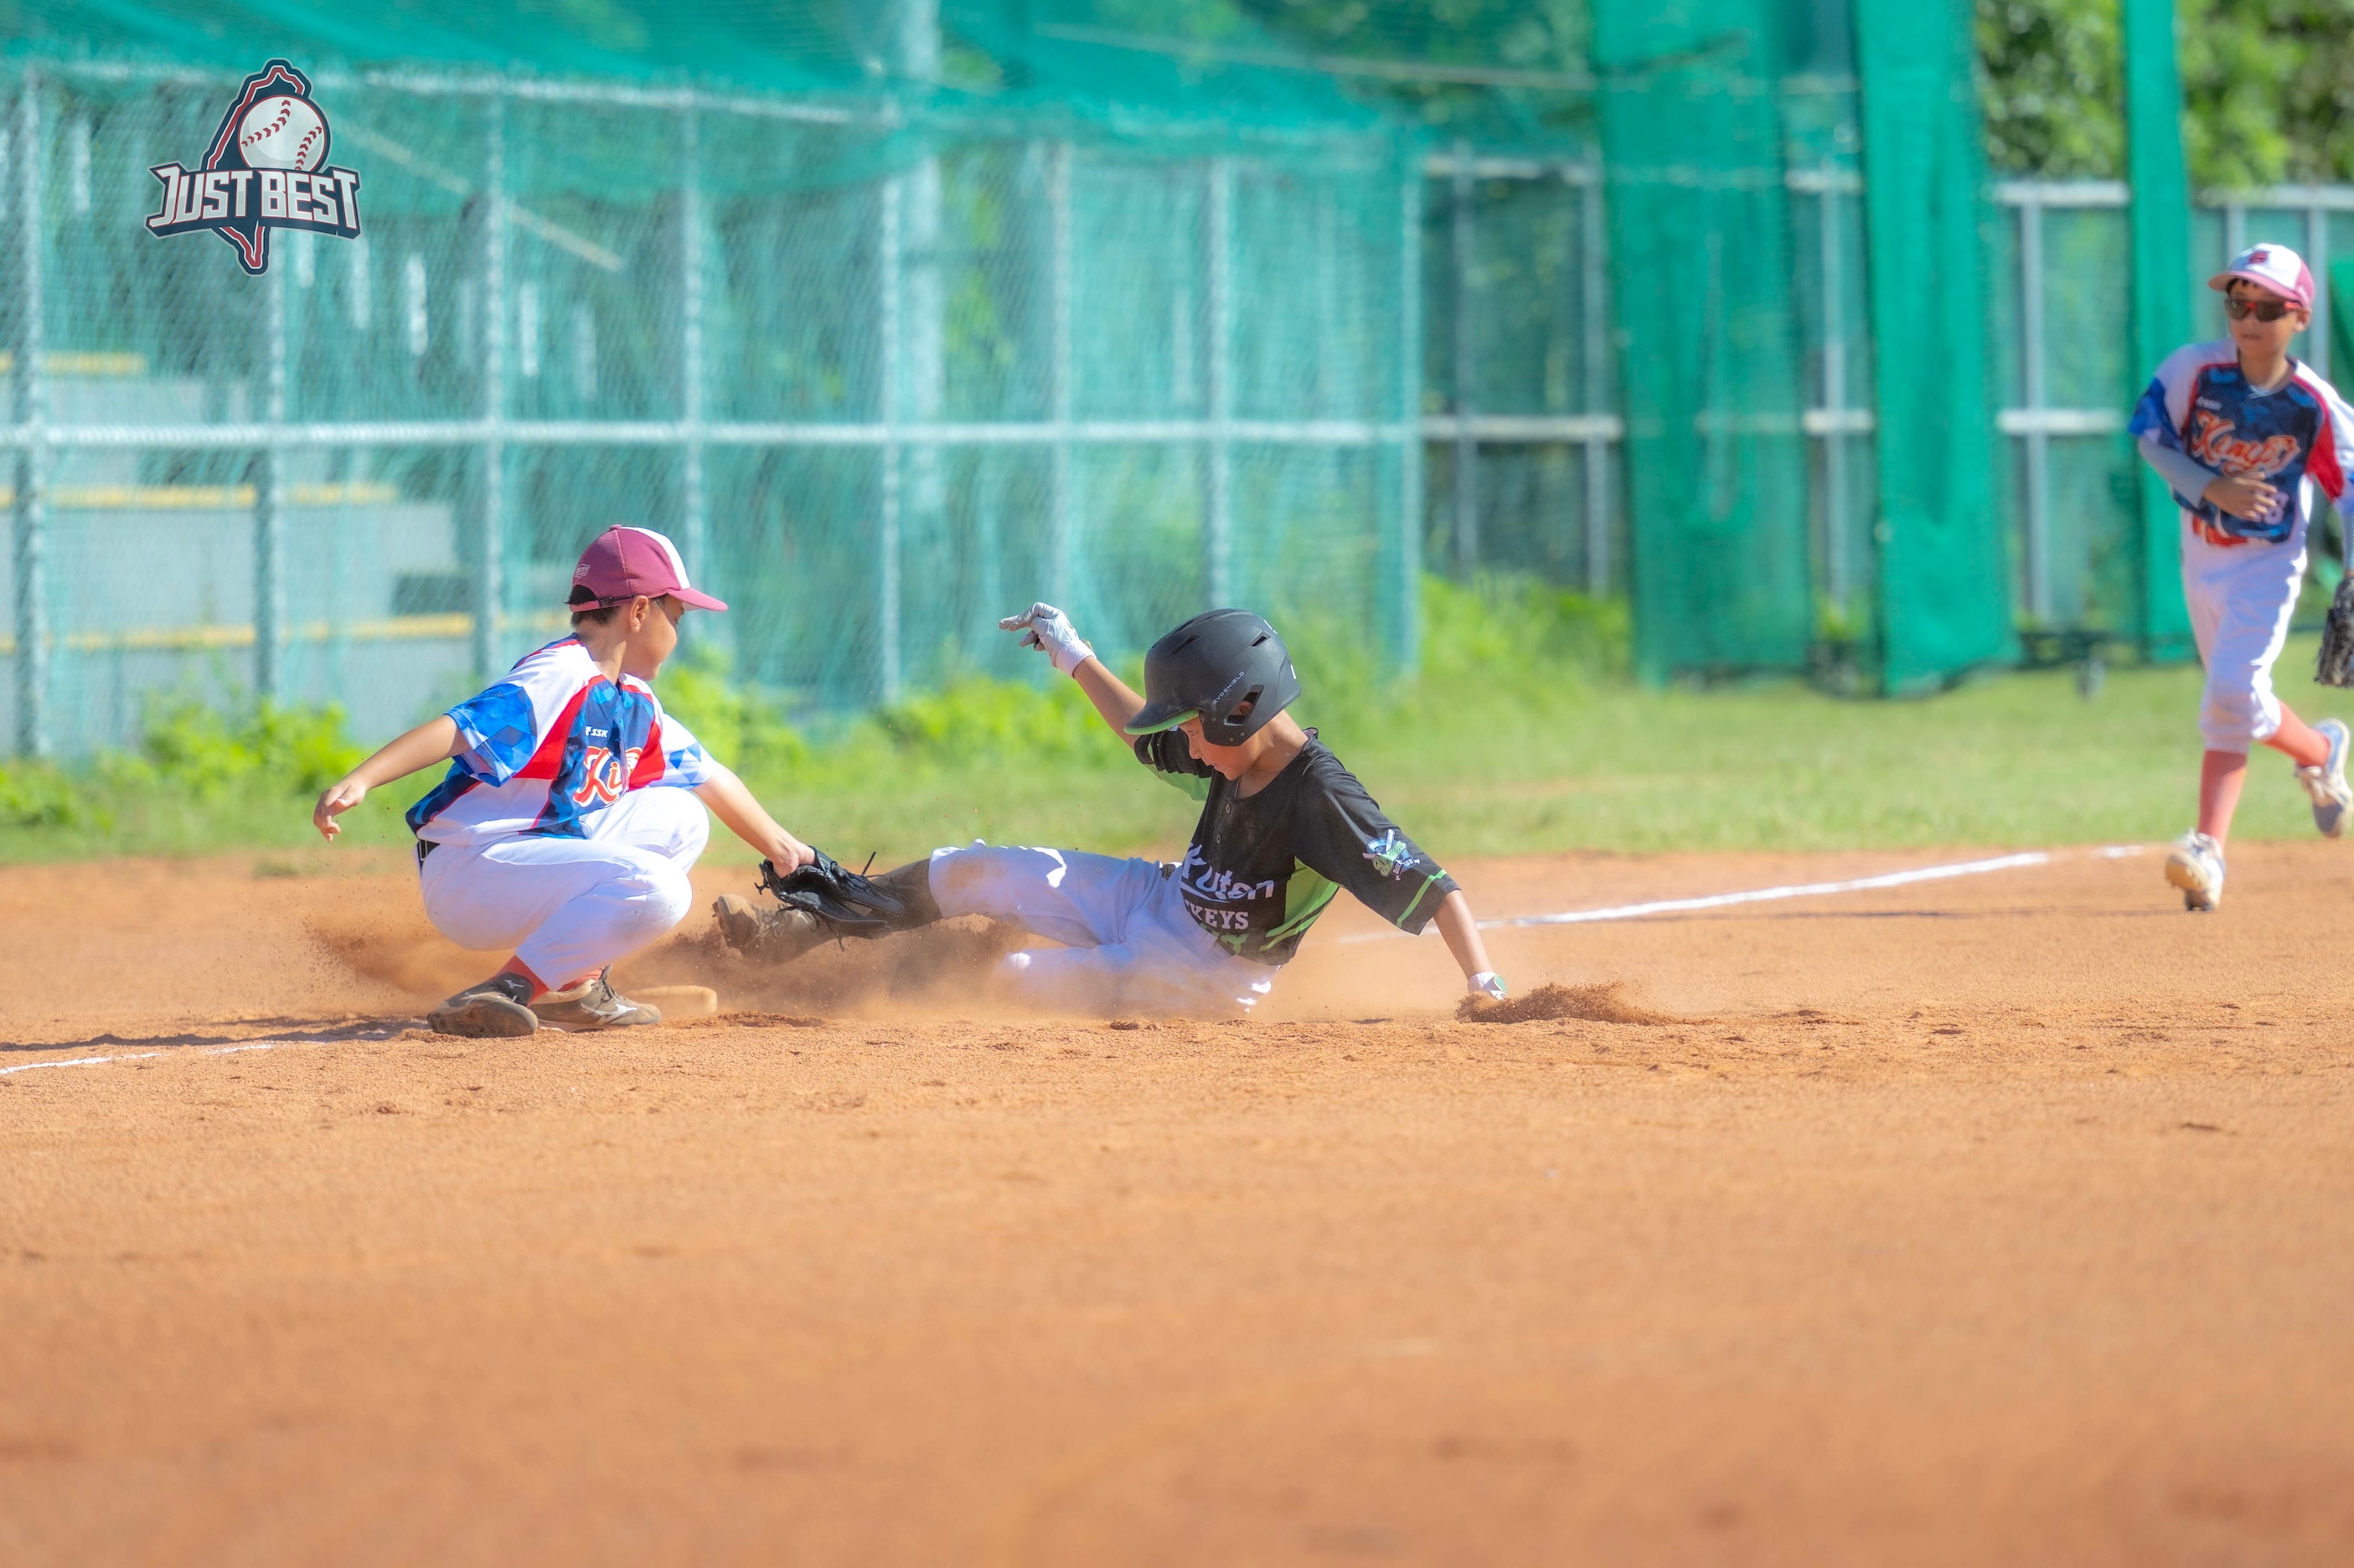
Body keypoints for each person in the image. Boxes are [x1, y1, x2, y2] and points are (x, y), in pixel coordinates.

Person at [713, 603, 1508, 1014]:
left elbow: (1434, 888)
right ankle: (807, 927)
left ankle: (862, 985)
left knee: (1010, 980)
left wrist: (1486, 986)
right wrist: (1070, 651)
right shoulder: (1234, 746)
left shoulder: (1323, 798)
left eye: (1194, 726)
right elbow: (1141, 734)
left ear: (1242, 710)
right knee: (981, 867)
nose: (1187, 749)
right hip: (1162, 896)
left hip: (1201, 977)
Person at [312, 525, 817, 1034]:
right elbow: (459, 728)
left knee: (683, 818)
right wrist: (362, 779)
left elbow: (709, 777)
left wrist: (788, 852)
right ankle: (505, 988)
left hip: (532, 860)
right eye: (676, 614)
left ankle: (573, 986)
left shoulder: (633, 698)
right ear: (639, 612)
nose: (678, 631)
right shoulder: (560, 674)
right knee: (659, 888)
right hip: (473, 871)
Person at [2131, 243, 2354, 911]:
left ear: (2301, 317)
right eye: (2238, 302)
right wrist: (2212, 487)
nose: (2249, 317)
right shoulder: (2194, 371)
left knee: (2231, 688)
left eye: (2267, 306)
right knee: (2234, 697)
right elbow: (2148, 435)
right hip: (2199, 552)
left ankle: (2207, 848)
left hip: (2268, 561)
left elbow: (2349, 482)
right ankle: (2320, 748)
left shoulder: (2312, 403)